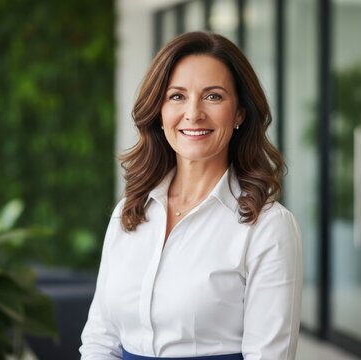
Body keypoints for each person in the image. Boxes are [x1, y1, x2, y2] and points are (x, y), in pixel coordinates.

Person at [80, 31, 302, 360]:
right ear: (159, 110)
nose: (193, 113)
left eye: (213, 96)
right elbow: (101, 338)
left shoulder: (268, 227)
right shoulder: (130, 211)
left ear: (239, 112)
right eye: (177, 96)